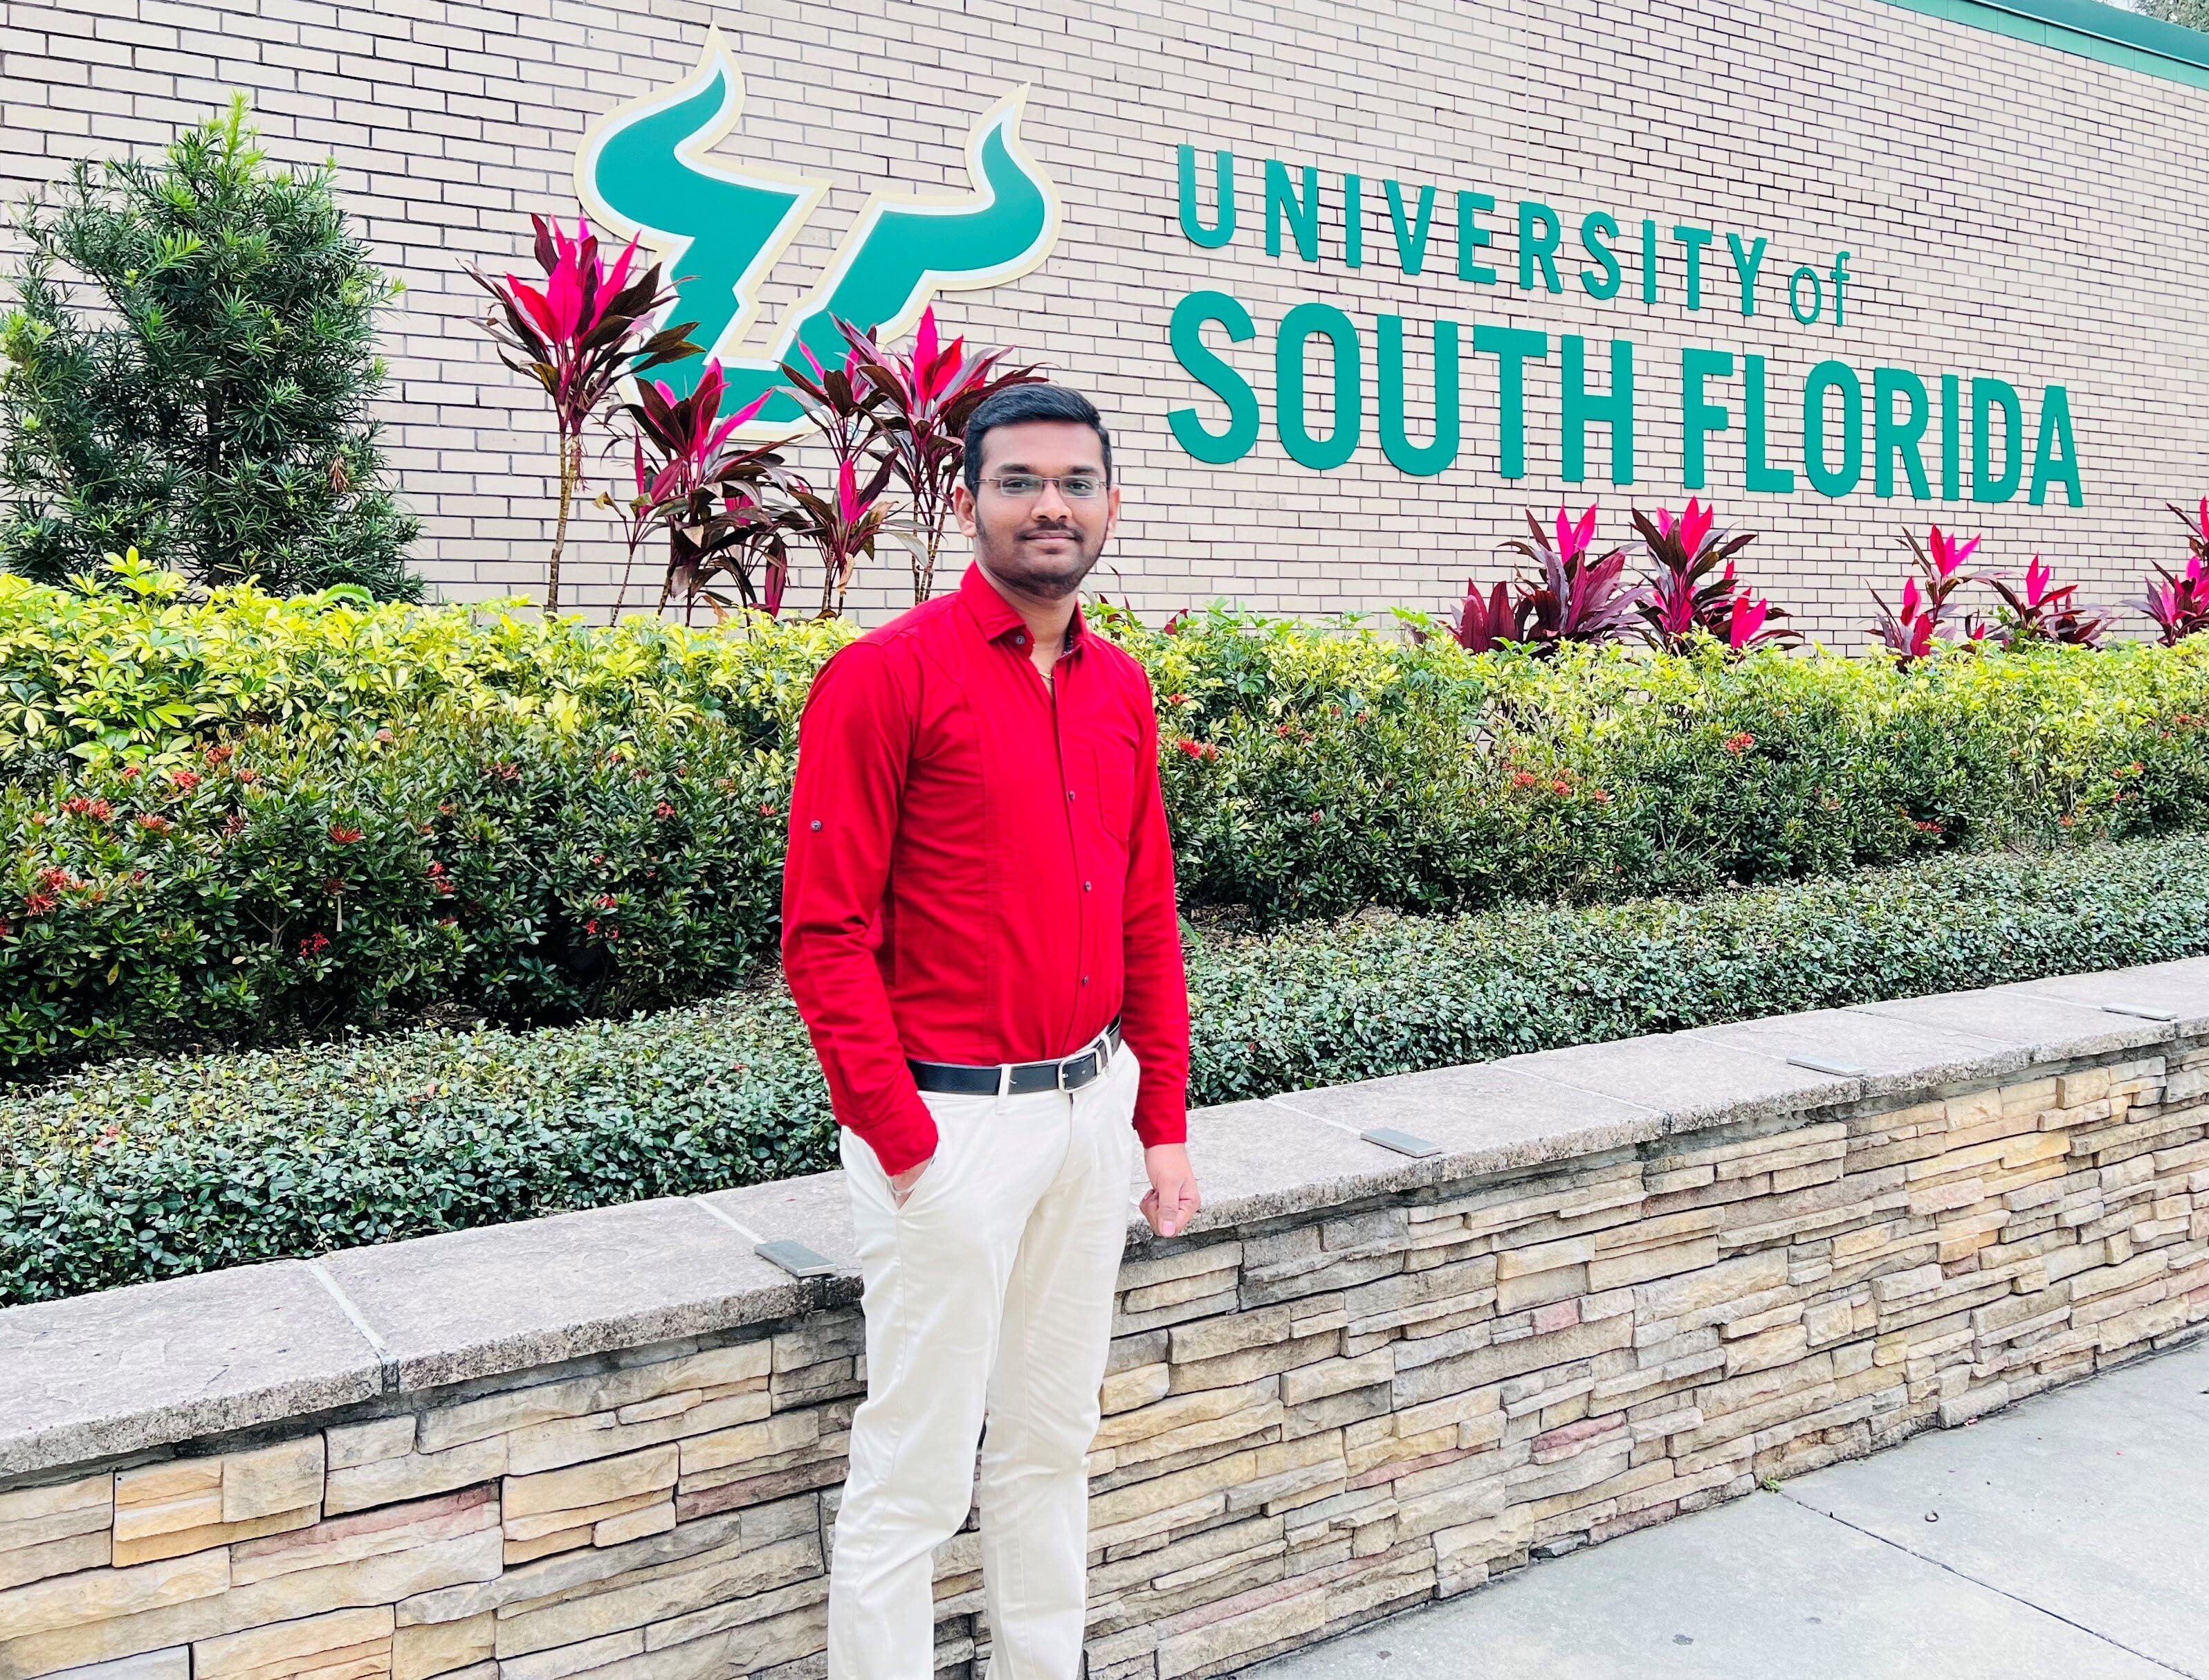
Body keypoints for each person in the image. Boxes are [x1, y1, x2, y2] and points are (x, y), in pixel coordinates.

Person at [780, 382, 1202, 1679]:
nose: (1049, 507)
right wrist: (902, 1143)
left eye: (1075, 483)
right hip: (948, 1127)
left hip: (1087, 1119)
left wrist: (1159, 1126)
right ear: (968, 502)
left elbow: (1144, 915)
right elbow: (822, 935)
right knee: (914, 1472)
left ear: (1111, 504)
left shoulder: (1118, 688)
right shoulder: (883, 678)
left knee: (1049, 1444)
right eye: (1019, 482)